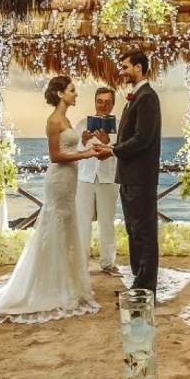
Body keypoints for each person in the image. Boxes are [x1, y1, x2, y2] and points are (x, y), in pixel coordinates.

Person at [0, 76, 100, 324]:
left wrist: (83, 140)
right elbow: (56, 156)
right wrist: (86, 153)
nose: (75, 94)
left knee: (67, 229)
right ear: (59, 94)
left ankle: (65, 283)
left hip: (70, 182)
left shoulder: (67, 120)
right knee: (54, 228)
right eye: (72, 90)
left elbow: (69, 147)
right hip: (58, 180)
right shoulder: (53, 120)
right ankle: (49, 287)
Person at [94, 51, 161, 294]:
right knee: (134, 231)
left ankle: (145, 288)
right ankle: (138, 283)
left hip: (141, 177)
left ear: (139, 68)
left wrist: (111, 151)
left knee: (143, 232)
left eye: (125, 67)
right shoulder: (136, 97)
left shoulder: (147, 98)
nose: (122, 72)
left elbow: (142, 138)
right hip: (130, 177)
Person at [75, 87, 120, 276]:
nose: (103, 105)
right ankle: (80, 262)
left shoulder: (119, 126)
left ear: (113, 104)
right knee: (82, 221)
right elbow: (74, 152)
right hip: (85, 177)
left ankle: (108, 262)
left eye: (107, 102)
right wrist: (83, 140)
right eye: (100, 101)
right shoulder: (82, 124)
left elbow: (122, 153)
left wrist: (109, 142)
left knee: (107, 221)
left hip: (108, 179)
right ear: (95, 102)